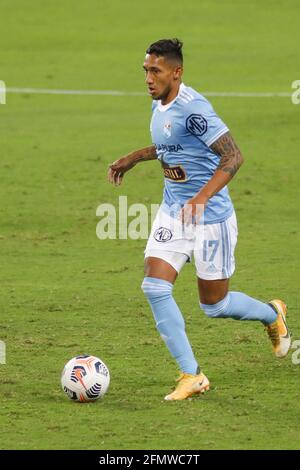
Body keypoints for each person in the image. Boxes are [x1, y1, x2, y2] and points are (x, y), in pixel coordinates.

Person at [107, 38, 291, 401]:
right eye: (145, 70)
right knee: (154, 287)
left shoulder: (195, 109)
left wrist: (202, 197)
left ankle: (271, 314)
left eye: (155, 71)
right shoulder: (161, 104)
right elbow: (171, 147)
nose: (148, 78)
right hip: (174, 212)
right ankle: (191, 374)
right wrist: (134, 157)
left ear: (177, 73)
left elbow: (234, 157)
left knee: (215, 306)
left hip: (211, 220)